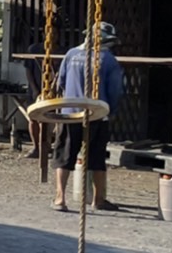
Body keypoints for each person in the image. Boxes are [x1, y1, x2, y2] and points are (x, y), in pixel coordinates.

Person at [52, 21, 124, 212]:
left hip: (70, 113)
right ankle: (98, 199)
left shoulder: (71, 54)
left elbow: (61, 81)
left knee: (65, 156)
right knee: (97, 158)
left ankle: (60, 198)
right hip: (97, 114)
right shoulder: (109, 60)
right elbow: (115, 91)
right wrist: (111, 111)